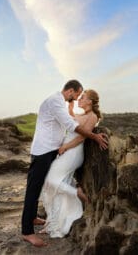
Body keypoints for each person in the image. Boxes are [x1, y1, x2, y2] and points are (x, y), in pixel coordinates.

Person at [21, 80, 108, 247]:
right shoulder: (55, 102)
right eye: (76, 96)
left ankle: (32, 217)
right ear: (70, 91)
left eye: (80, 97)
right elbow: (71, 124)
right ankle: (27, 232)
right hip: (44, 151)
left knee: (40, 185)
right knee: (34, 187)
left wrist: (68, 145)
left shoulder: (62, 102)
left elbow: (75, 124)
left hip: (55, 150)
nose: (76, 100)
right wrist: (94, 137)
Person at [40, 89, 102, 238]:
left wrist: (65, 147)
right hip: (66, 152)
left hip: (73, 153)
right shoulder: (81, 115)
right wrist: (71, 102)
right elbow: (70, 116)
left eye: (82, 98)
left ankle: (77, 192)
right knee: (54, 188)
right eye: (79, 97)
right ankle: (53, 224)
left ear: (90, 101)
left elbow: (81, 138)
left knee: (50, 181)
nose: (80, 100)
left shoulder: (92, 116)